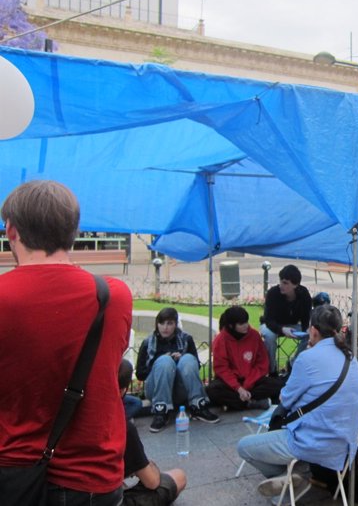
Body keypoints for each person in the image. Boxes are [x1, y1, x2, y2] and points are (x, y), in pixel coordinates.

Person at [0, 180, 133, 504]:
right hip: (93, 476)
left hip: (15, 473)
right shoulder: (113, 296)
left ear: (12, 231)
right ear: (73, 231)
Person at [238, 305, 358, 504]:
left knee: (243, 447)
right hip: (346, 443)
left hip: (312, 442)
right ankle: (297, 476)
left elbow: (285, 399)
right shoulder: (351, 359)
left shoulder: (308, 358)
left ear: (313, 330)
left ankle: (295, 480)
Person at [135, 307, 219, 433]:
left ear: (175, 324)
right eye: (161, 323)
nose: (165, 327)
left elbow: (196, 367)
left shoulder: (186, 340)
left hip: (180, 389)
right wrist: (160, 363)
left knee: (188, 359)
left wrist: (181, 359)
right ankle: (161, 412)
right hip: (156, 389)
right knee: (165, 362)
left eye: (169, 323)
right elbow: (140, 374)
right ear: (156, 324)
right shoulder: (148, 343)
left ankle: (198, 407)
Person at [118, 360, 187, 506]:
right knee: (178, 476)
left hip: (66, 495)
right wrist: (149, 465)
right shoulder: (123, 426)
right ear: (123, 389)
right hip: (105, 499)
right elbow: (152, 482)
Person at [206, 306, 283, 410]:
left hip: (252, 380)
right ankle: (252, 402)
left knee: (279, 385)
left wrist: (247, 385)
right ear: (231, 326)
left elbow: (262, 364)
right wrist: (238, 388)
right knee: (212, 390)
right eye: (241, 324)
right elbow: (221, 369)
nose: (246, 326)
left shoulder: (254, 335)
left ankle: (236, 404)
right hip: (230, 383)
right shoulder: (221, 340)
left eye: (246, 322)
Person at [259, 264, 312, 375]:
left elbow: (305, 319)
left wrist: (306, 329)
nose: (281, 285)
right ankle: (271, 370)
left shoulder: (304, 294)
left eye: (285, 283)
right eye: (281, 281)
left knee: (310, 335)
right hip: (271, 325)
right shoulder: (273, 293)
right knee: (269, 336)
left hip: (292, 325)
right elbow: (268, 320)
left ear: (295, 285)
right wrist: (282, 329)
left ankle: (293, 364)